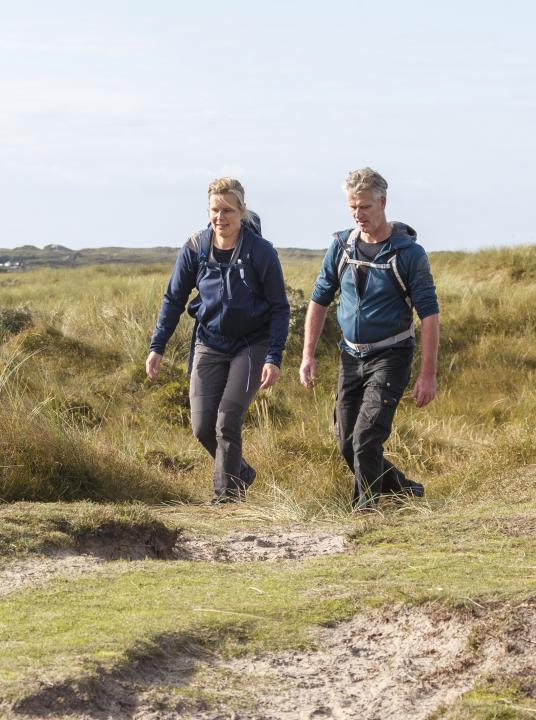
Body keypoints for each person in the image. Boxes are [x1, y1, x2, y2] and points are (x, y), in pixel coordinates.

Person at [299, 167, 439, 510]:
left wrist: (428, 374)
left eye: (365, 207)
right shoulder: (341, 247)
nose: (358, 215)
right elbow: (319, 300)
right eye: (352, 207)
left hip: (391, 356)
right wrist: (308, 355)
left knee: (366, 440)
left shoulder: (409, 254)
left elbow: (430, 316)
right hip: (350, 357)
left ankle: (366, 512)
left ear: (383, 202)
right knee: (347, 442)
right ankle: (403, 489)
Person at [146, 178, 290, 503]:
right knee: (202, 427)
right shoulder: (196, 247)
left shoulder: (260, 252)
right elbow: (173, 299)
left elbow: (280, 307)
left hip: (252, 343)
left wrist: (274, 356)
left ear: (241, 210)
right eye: (215, 210)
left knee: (227, 418)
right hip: (209, 342)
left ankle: (226, 498)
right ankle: (240, 472)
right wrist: (157, 346)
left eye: (227, 210)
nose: (220, 217)